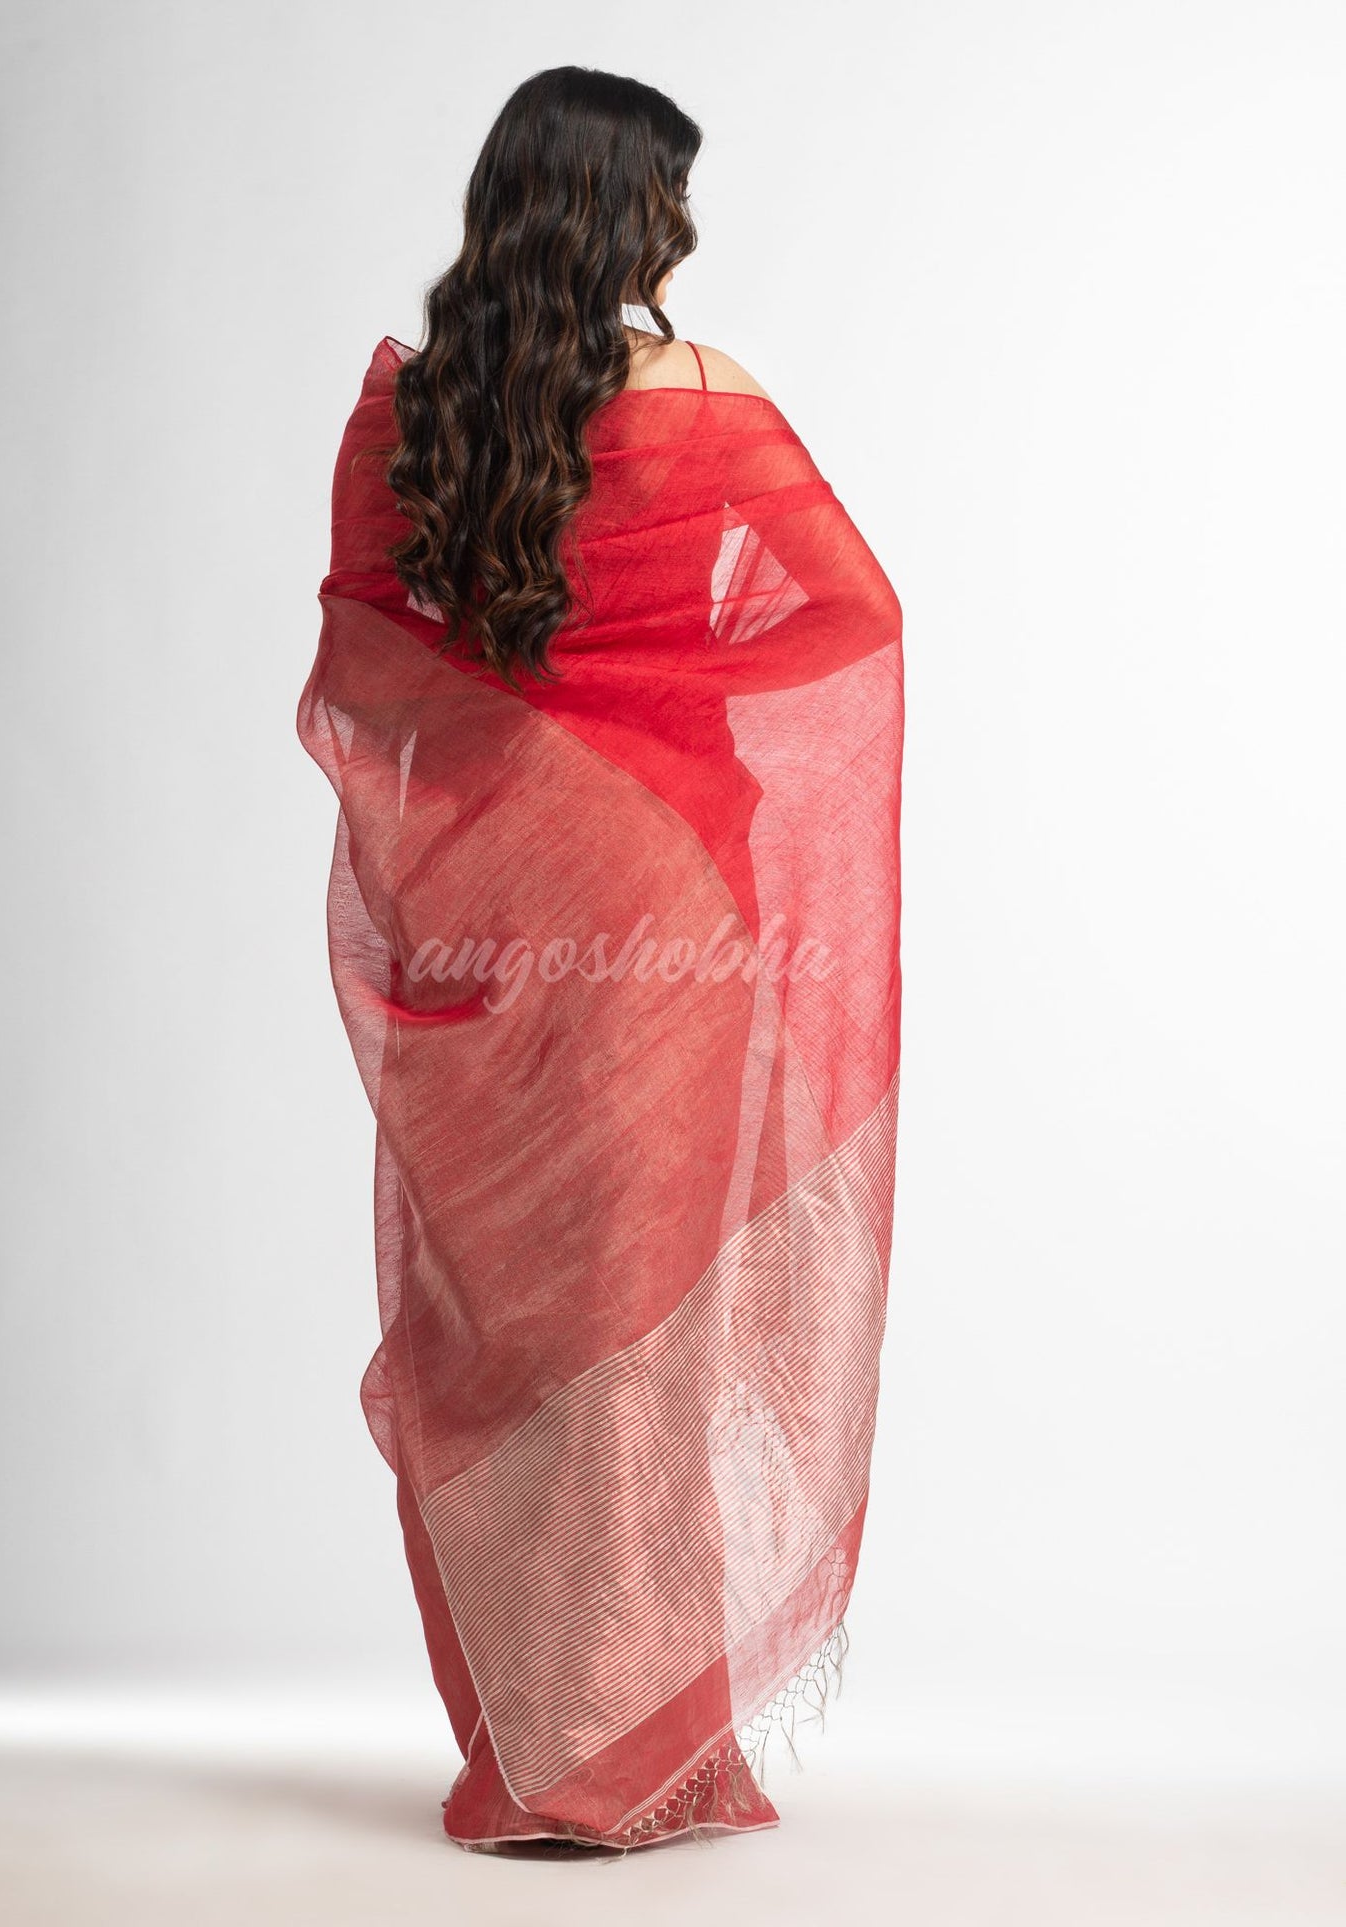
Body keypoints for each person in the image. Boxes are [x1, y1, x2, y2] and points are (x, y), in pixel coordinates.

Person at [296, 64, 904, 1856]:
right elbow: (854, 613)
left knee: (516, 1318)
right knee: (643, 1323)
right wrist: (661, 697)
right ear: (624, 211)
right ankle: (620, 1752)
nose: (687, 228)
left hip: (495, 905)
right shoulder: (702, 396)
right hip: (662, 909)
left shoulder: (405, 417)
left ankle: (554, 1738)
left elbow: (363, 656)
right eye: (671, 196)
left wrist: (525, 737)